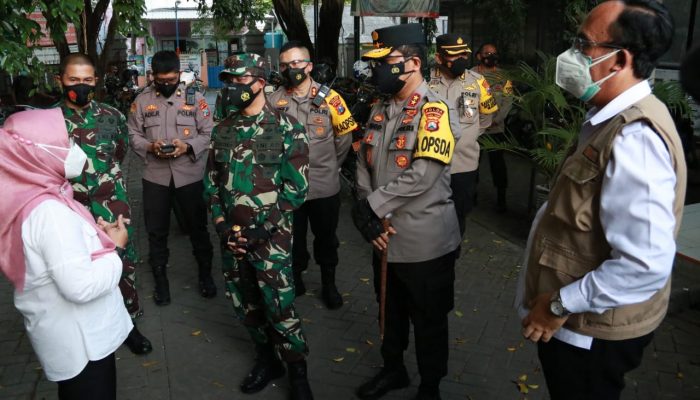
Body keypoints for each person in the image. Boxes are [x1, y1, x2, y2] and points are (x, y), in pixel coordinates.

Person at [518, 2, 685, 399]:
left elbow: (645, 264)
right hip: (583, 326)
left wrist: (559, 304)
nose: (571, 54)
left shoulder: (636, 138)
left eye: (583, 44)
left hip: (590, 334)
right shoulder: (609, 118)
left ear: (620, 60)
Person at [352, 24, 461, 400]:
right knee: (389, 311)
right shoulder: (380, 107)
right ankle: (393, 370)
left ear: (413, 63)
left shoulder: (435, 110)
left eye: (386, 62)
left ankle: (431, 386)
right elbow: (363, 159)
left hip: (424, 242)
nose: (376, 70)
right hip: (383, 236)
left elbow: (424, 174)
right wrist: (369, 213)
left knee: (428, 320)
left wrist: (370, 206)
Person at [0, 108, 133, 399]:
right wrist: (116, 248)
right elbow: (81, 286)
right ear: (33, 153)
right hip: (83, 348)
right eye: (64, 143)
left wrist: (93, 239)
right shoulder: (49, 213)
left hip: (69, 340)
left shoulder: (31, 196)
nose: (74, 150)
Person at [203, 53, 313, 399]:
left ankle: (297, 372)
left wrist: (262, 231)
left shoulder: (286, 127)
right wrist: (223, 229)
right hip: (233, 239)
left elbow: (296, 189)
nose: (232, 89)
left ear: (260, 83)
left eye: (239, 82)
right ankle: (267, 360)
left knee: (278, 306)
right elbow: (211, 184)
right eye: (229, 82)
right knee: (246, 305)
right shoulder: (222, 130)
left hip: (271, 241)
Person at [54, 53, 152, 355]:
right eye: (73, 80)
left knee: (121, 263)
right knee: (74, 267)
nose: (80, 86)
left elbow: (119, 151)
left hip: (112, 205)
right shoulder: (47, 122)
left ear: (95, 81)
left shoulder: (112, 115)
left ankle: (129, 324)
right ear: (60, 81)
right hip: (68, 209)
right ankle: (87, 329)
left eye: (86, 80)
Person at [268, 41, 357, 309]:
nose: (290, 69)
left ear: (308, 66)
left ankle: (329, 284)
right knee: (292, 238)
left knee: (326, 238)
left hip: (323, 186)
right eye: (284, 64)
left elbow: (344, 138)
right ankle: (296, 277)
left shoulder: (331, 98)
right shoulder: (273, 100)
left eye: (295, 63)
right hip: (287, 187)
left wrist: (330, 164)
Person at [127, 50, 216, 305]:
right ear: (152, 76)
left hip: (189, 175)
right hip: (155, 177)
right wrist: (149, 147)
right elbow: (133, 133)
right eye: (161, 80)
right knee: (156, 232)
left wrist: (187, 147)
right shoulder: (142, 100)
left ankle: (205, 276)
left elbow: (209, 132)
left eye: (171, 79)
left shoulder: (195, 98)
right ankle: (161, 282)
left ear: (179, 74)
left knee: (198, 229)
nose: (167, 85)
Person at [428, 33, 498, 238]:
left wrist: (470, 135)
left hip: (463, 166)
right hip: (430, 164)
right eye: (453, 55)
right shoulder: (424, 81)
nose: (461, 60)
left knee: (459, 215)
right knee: (429, 216)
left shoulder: (477, 83)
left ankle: (453, 253)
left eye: (463, 55)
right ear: (439, 58)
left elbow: (487, 116)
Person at [472, 43, 514, 212]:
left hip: (496, 129)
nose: (491, 56)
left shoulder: (504, 76)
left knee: (498, 165)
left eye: (494, 53)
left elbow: (508, 99)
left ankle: (501, 199)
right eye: (487, 53)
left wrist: (497, 119)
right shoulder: (470, 75)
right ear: (479, 56)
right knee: (473, 163)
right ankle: (471, 196)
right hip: (476, 130)